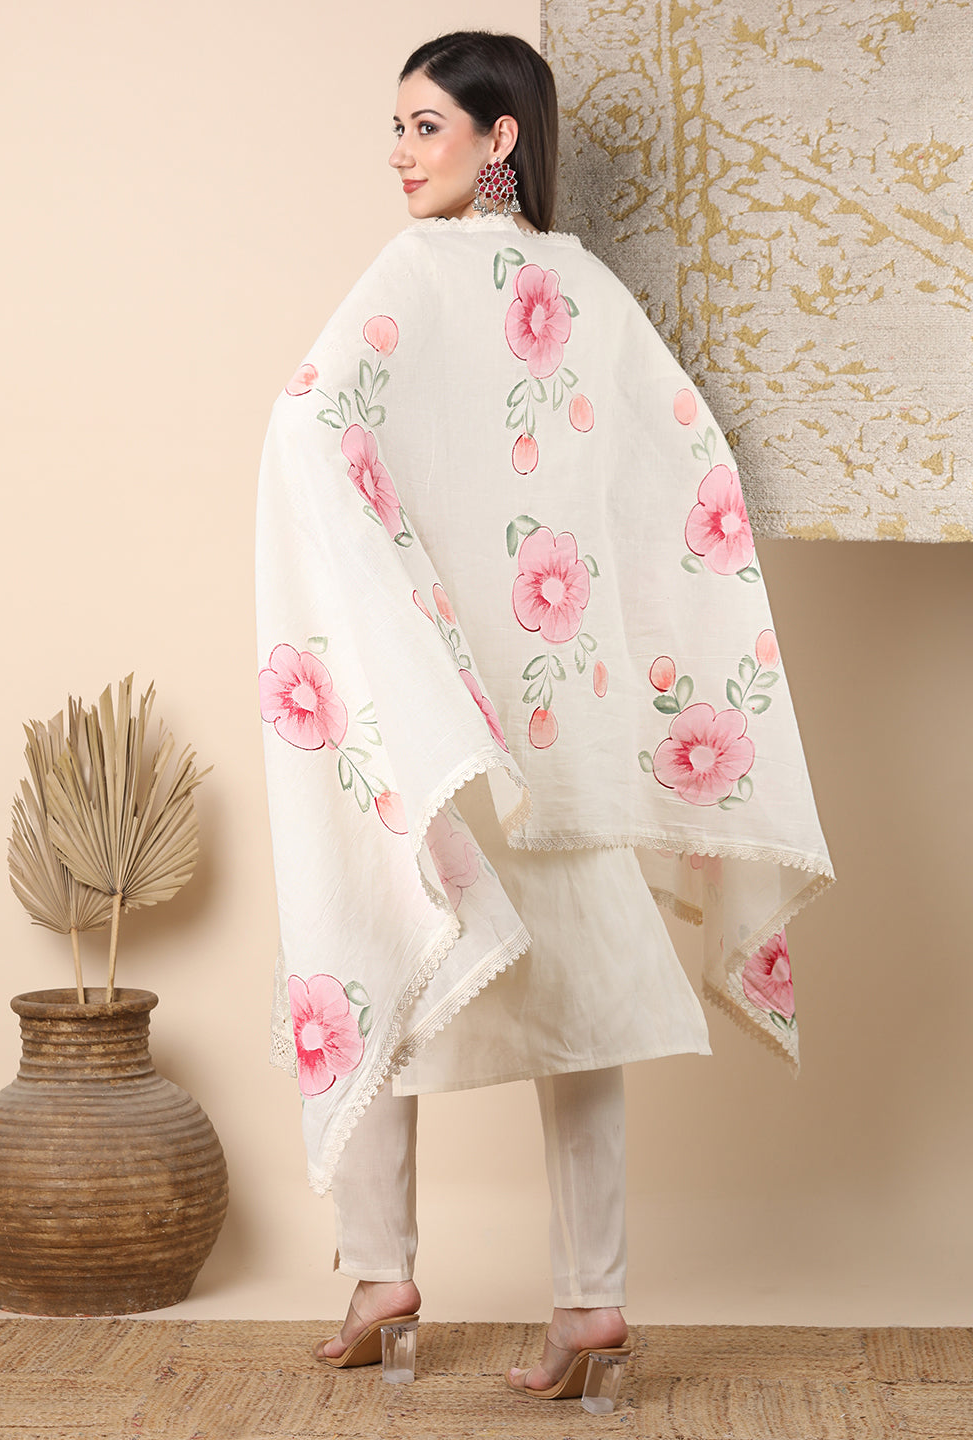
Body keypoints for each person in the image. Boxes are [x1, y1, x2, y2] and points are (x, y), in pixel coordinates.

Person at [255, 31, 832, 1400]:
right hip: (560, 721)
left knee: (389, 940)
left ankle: (383, 1275)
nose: (400, 153)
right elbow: (684, 464)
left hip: (446, 715)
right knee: (576, 1008)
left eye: (426, 126)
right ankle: (591, 1306)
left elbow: (309, 428)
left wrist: (414, 613)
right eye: (396, 127)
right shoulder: (592, 294)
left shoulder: (410, 277)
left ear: (499, 138)